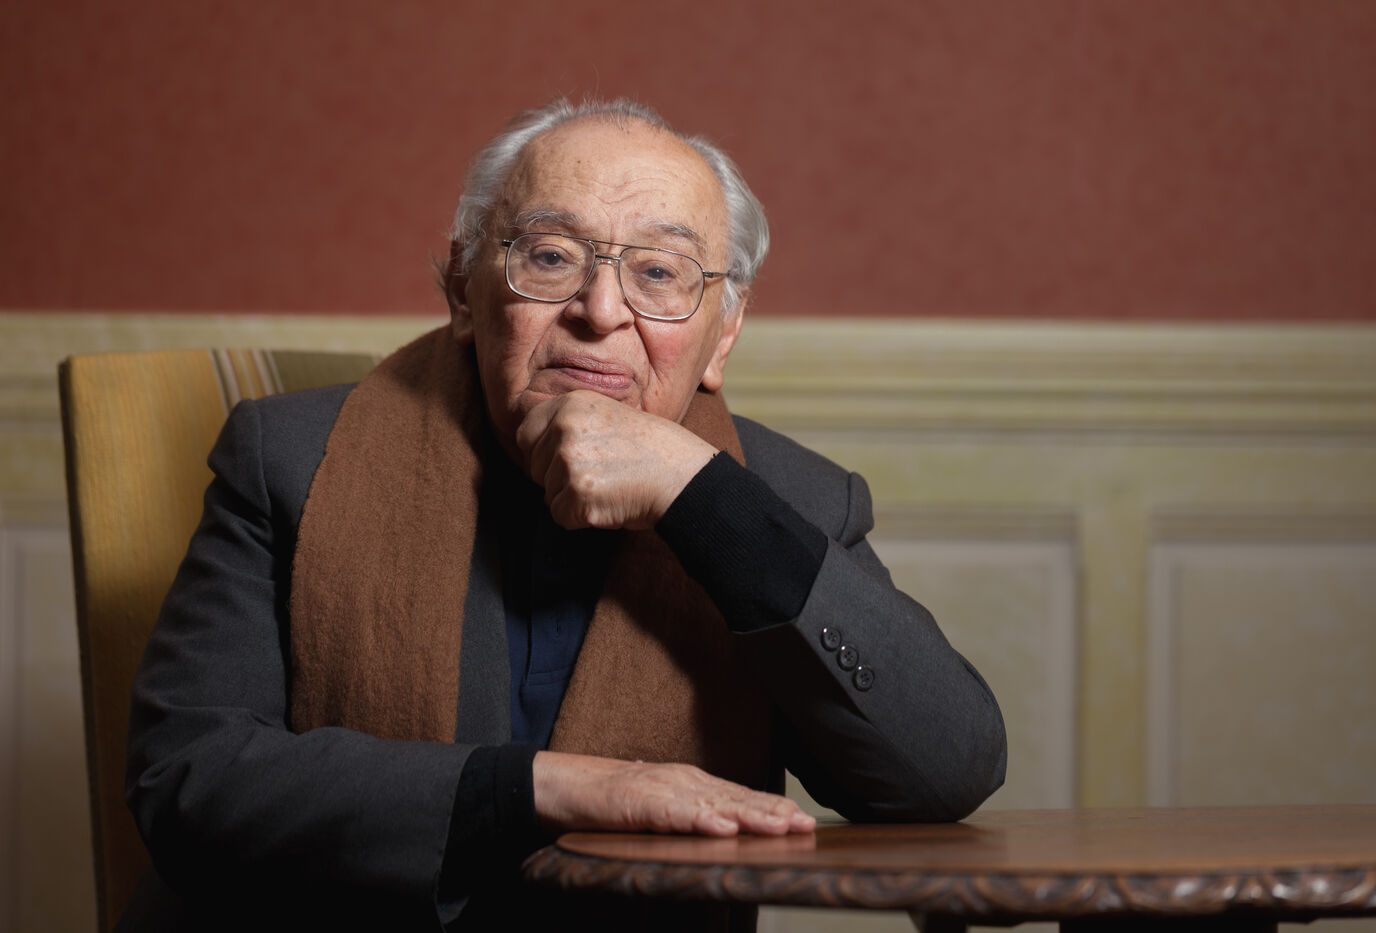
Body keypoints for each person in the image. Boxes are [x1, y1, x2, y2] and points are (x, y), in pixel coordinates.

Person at [122, 98, 1006, 931]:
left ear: (723, 335)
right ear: (464, 290)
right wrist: (553, 787)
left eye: (658, 272)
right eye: (550, 256)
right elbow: (187, 780)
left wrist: (703, 499)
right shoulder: (291, 459)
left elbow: (945, 771)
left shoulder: (788, 498)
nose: (601, 311)